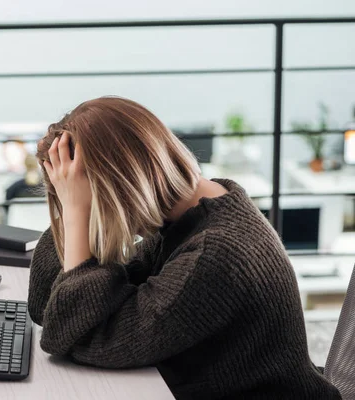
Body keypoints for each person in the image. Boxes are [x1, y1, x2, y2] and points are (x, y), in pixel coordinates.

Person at [28, 97, 341, 399]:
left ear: (120, 186)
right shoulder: (191, 213)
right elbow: (48, 305)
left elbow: (78, 334)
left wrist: (78, 213)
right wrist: (74, 209)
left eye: (81, 195)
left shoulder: (215, 253)